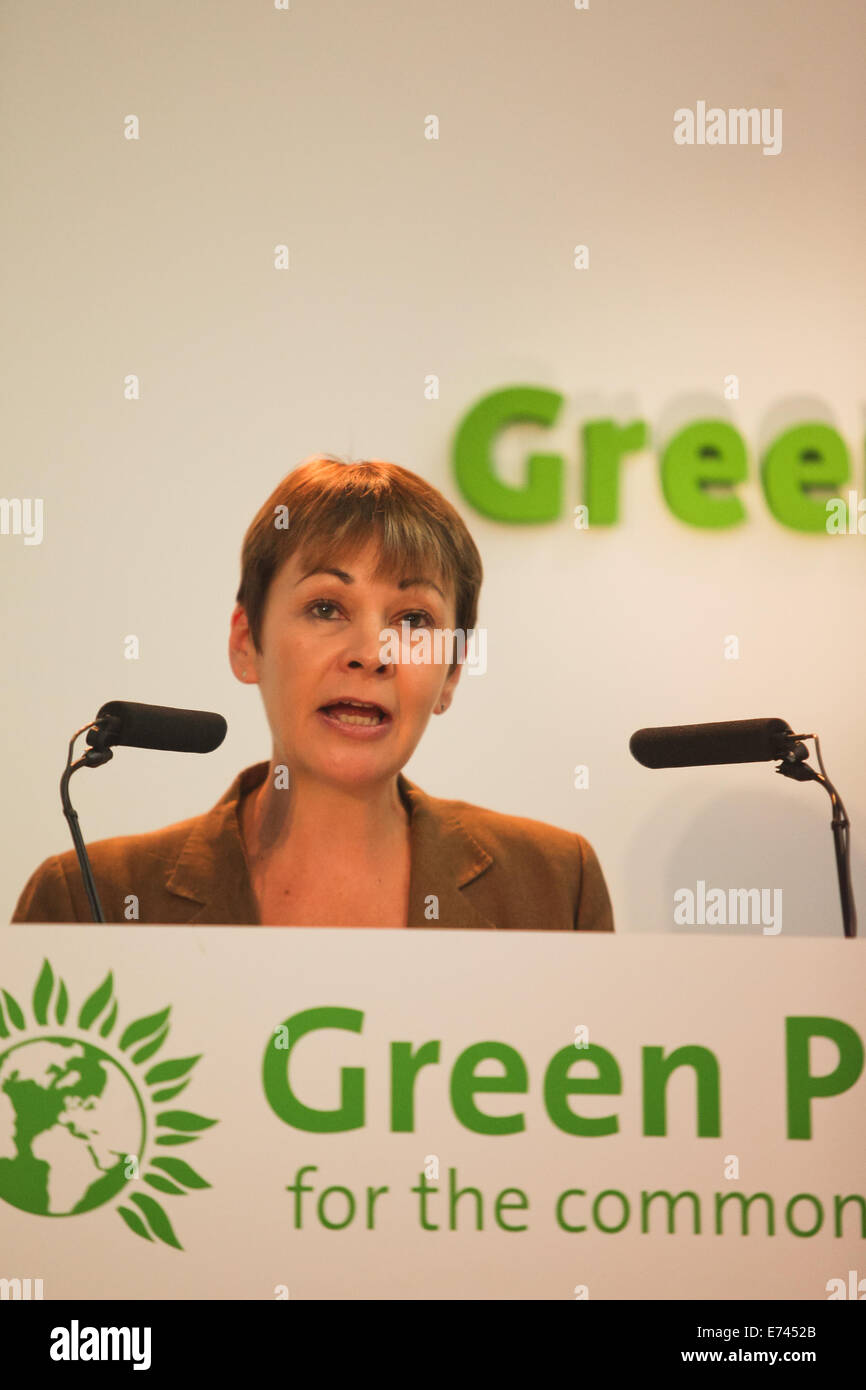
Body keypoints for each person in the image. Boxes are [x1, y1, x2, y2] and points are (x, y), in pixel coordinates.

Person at [12, 456, 614, 930]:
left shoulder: (557, 885)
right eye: (326, 607)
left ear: (451, 671)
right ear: (247, 641)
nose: (370, 653)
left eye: (413, 621)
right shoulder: (90, 897)